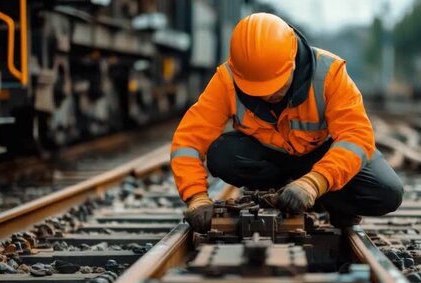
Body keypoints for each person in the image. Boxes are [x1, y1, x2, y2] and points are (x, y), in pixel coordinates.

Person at [170, 13, 403, 233]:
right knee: (223, 154)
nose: (267, 96)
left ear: (292, 61)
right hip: (272, 162)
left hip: (321, 156)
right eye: (257, 89)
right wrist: (196, 196)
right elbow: (189, 141)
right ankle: (279, 195)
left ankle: (327, 202)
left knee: (386, 192)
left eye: (274, 86)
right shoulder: (227, 79)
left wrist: (315, 182)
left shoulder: (329, 74)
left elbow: (356, 137)